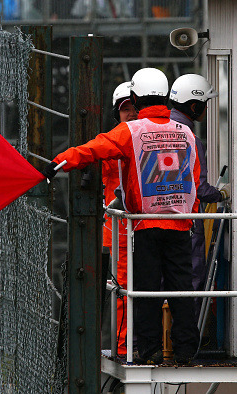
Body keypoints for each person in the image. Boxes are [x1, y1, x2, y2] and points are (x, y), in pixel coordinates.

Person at [42, 67, 201, 365]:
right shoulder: (186, 133)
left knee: (143, 289)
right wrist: (189, 218)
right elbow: (193, 177)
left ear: (137, 98)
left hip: (144, 223)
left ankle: (149, 349)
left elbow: (93, 149)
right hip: (180, 225)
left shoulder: (132, 130)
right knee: (181, 288)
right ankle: (185, 350)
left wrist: (58, 162)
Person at [168, 74, 229, 320]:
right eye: (204, 103)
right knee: (191, 280)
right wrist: (221, 193)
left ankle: (159, 340)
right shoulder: (191, 139)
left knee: (160, 282)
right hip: (186, 222)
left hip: (152, 219)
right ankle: (186, 337)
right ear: (194, 106)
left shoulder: (154, 130)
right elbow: (199, 188)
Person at [102, 81, 137, 355]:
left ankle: (142, 343)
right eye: (126, 109)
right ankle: (125, 346)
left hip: (139, 226)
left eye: (135, 107)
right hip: (119, 233)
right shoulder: (112, 143)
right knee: (123, 290)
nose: (131, 113)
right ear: (117, 112)